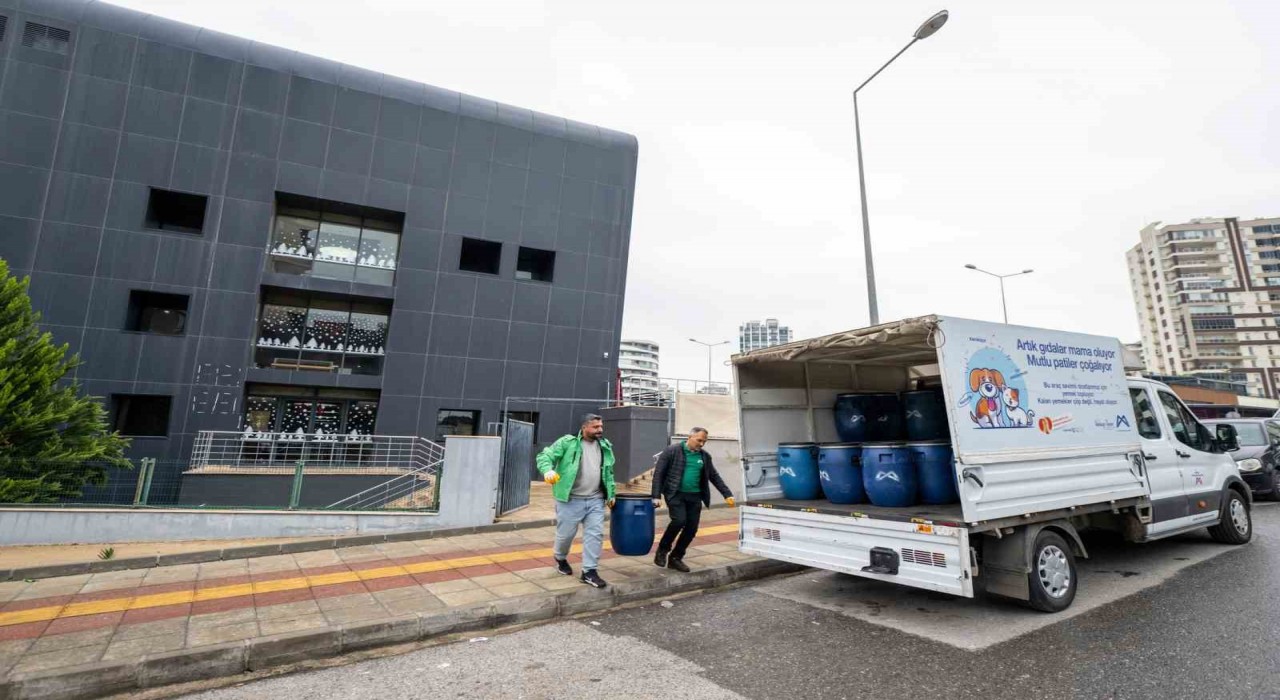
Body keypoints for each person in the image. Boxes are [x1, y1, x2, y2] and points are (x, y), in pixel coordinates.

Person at [536, 413, 616, 588]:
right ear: (584, 427)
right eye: (595, 427)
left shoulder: (605, 446)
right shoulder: (568, 442)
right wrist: (547, 470)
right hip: (570, 499)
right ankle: (560, 557)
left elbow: (608, 472)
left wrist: (611, 494)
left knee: (595, 535)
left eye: (601, 426)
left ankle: (589, 571)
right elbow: (544, 456)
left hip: (596, 499)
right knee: (566, 535)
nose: (600, 430)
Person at [651, 427, 735, 572]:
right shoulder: (672, 451)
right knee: (679, 521)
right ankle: (662, 549)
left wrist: (727, 494)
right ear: (690, 437)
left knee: (691, 529)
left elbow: (714, 476)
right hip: (675, 493)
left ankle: (676, 558)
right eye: (699, 440)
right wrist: (656, 496)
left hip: (695, 496)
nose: (702, 444)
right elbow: (659, 474)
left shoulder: (704, 456)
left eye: (704, 441)